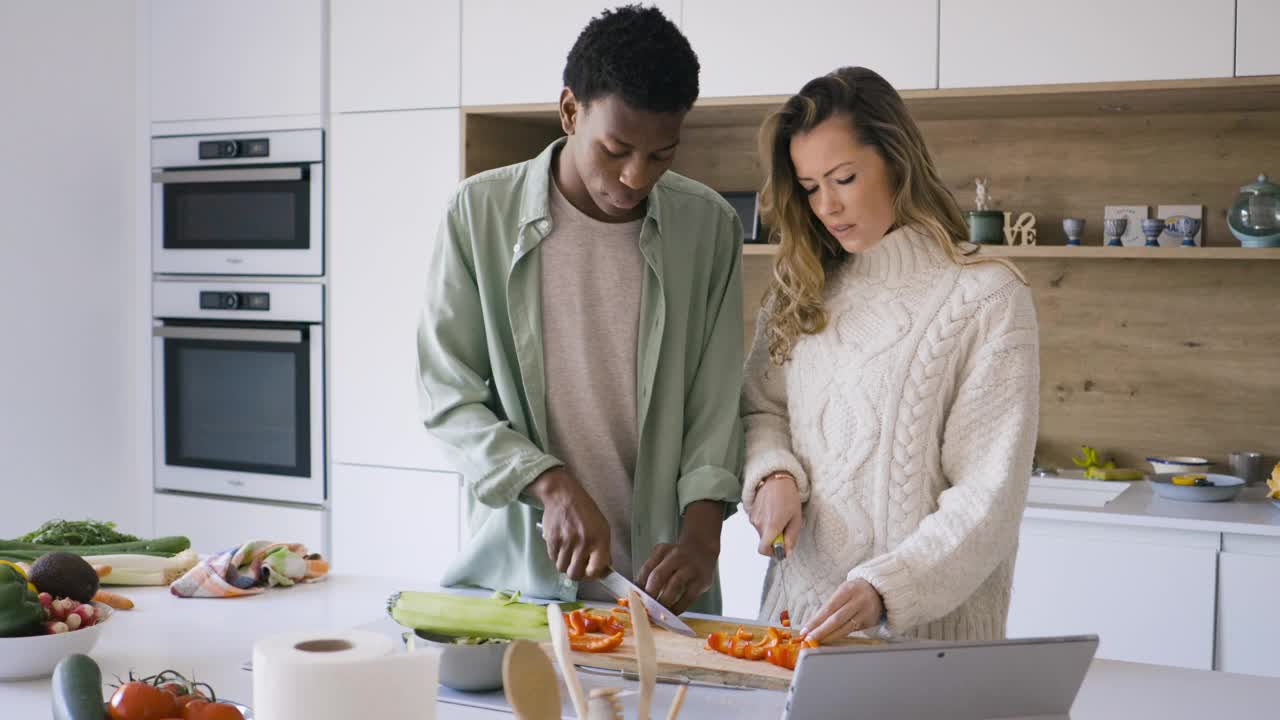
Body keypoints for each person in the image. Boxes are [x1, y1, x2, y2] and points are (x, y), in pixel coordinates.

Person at [416, 5, 745, 614]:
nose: (634, 176)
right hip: (518, 589)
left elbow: (718, 404)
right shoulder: (477, 214)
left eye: (661, 154)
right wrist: (549, 483)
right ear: (570, 111)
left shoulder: (709, 226)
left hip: (663, 600)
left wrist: (704, 539)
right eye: (616, 149)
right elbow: (447, 397)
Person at [742, 66, 1039, 642]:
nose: (825, 205)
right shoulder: (800, 288)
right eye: (808, 187)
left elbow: (989, 497)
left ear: (897, 160)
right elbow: (761, 410)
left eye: (844, 178)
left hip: (930, 646)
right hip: (793, 627)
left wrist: (887, 588)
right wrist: (772, 473)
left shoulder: (985, 296)